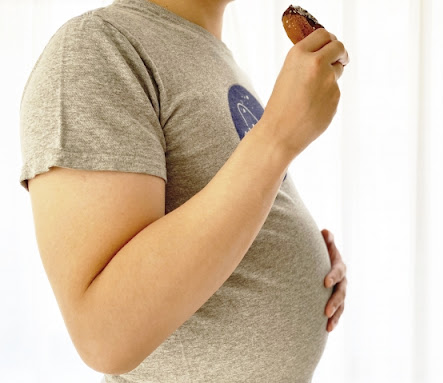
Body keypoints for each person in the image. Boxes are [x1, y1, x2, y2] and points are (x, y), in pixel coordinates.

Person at [18, 0, 349, 381]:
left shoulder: (211, 54)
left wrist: (307, 260)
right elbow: (105, 336)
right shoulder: (95, 48)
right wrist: (276, 139)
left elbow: (224, 210)